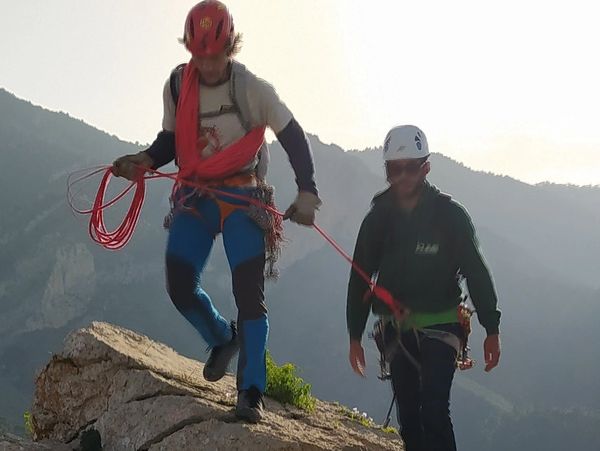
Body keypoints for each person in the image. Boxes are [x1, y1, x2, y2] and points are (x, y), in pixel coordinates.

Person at [111, 0, 321, 423]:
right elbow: (171, 140)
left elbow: (292, 134)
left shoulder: (251, 89)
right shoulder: (177, 84)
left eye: (213, 54)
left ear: (230, 46)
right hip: (197, 194)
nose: (205, 63)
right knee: (179, 283)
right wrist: (145, 160)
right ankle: (223, 338)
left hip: (244, 197)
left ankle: (250, 393)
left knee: (249, 295)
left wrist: (308, 191)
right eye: (198, 54)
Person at [346, 125, 501, 450]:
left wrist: (491, 326)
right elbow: (360, 277)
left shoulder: (450, 216)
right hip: (397, 328)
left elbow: (476, 270)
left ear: (425, 167)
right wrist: (354, 334)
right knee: (410, 417)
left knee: (433, 409)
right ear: (387, 170)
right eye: (394, 168)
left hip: (441, 325)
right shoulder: (378, 220)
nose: (402, 176)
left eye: (410, 167)